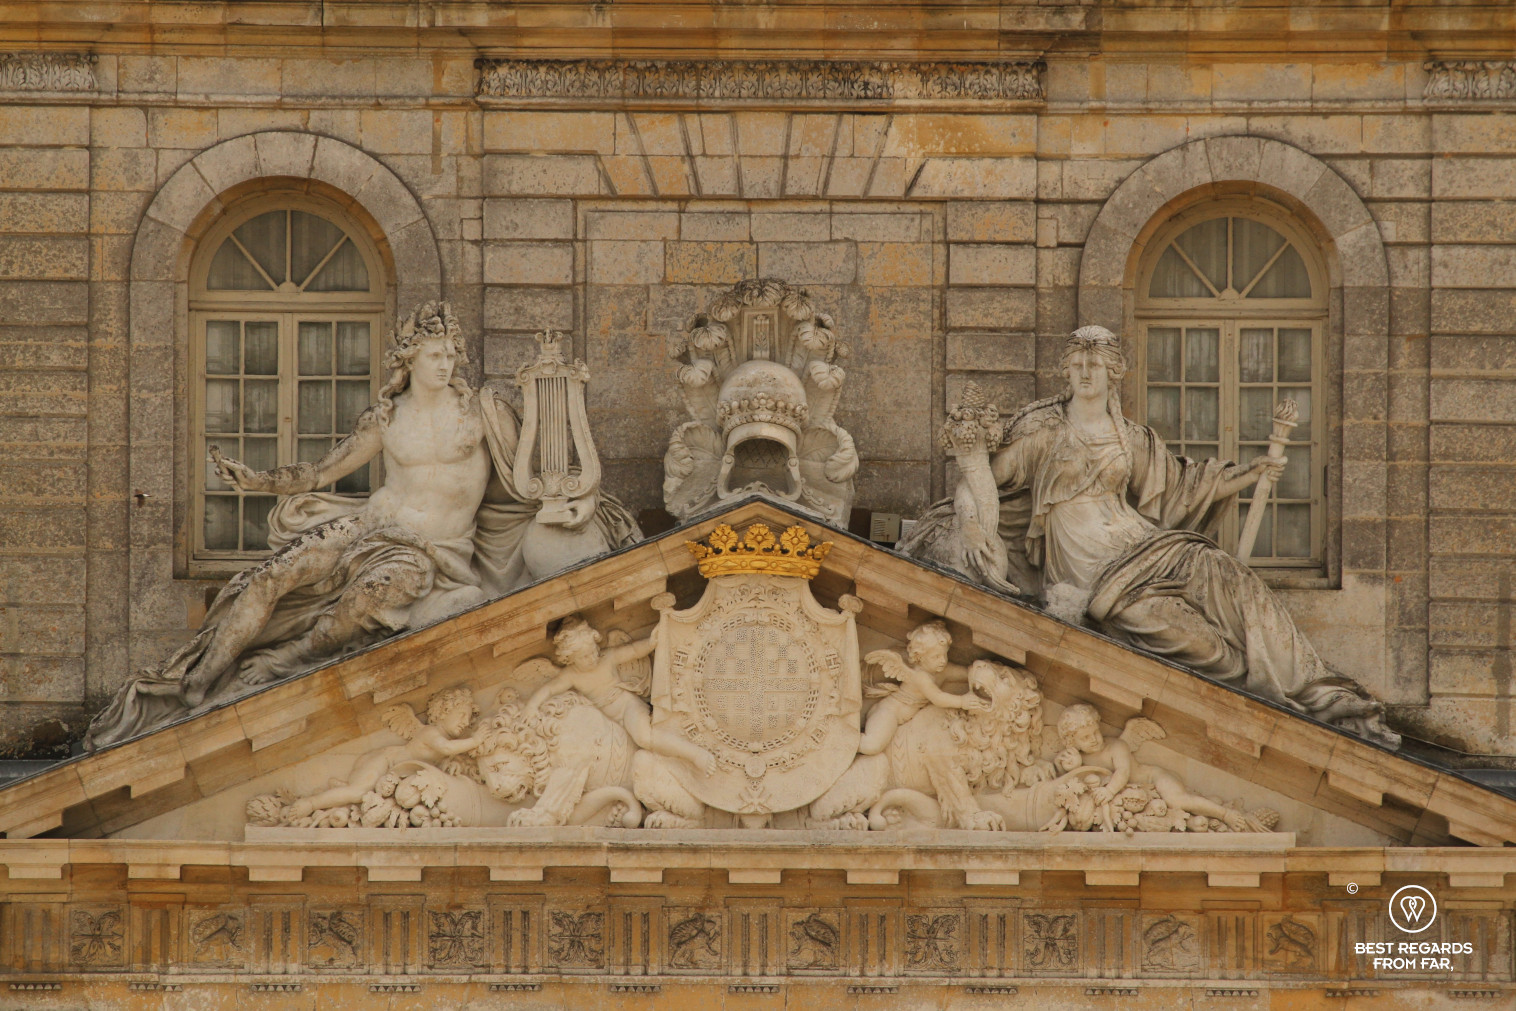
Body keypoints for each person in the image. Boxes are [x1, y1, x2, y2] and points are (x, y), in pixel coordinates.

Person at [85, 302, 639, 751]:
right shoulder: (387, 418)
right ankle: (201, 680)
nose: (446, 364)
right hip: (372, 525)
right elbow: (322, 472)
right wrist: (258, 481)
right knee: (270, 577)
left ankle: (289, 659)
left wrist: (574, 502)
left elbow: (532, 475)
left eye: (451, 354)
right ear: (410, 359)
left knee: (365, 599)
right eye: (435, 355)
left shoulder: (482, 411)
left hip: (432, 551)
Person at [903, 325, 1399, 749]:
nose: (1085, 373)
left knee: (1227, 573)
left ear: (1114, 372)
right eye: (1077, 363)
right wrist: (973, 527)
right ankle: (1261, 696)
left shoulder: (1131, 438)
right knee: (1206, 650)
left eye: (1095, 364)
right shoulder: (1043, 429)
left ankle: (1316, 692)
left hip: (1141, 543)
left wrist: (1250, 473)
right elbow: (982, 477)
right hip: (1090, 569)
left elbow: (1183, 485)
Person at [522, 617, 718, 775]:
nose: (592, 659)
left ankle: (695, 755)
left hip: (627, 707)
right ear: (568, 659)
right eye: (584, 657)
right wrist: (531, 706)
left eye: (593, 652)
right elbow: (548, 689)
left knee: (644, 738)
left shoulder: (606, 658)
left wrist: (651, 643)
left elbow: (632, 651)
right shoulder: (571, 675)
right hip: (607, 721)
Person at [858, 620, 986, 755]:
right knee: (871, 746)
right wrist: (962, 701)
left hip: (902, 717)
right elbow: (938, 697)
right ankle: (841, 741)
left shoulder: (943, 670)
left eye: (944, 654)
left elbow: (967, 673)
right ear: (919, 657)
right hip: (889, 713)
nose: (942, 660)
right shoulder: (921, 676)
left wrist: (982, 673)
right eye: (936, 656)